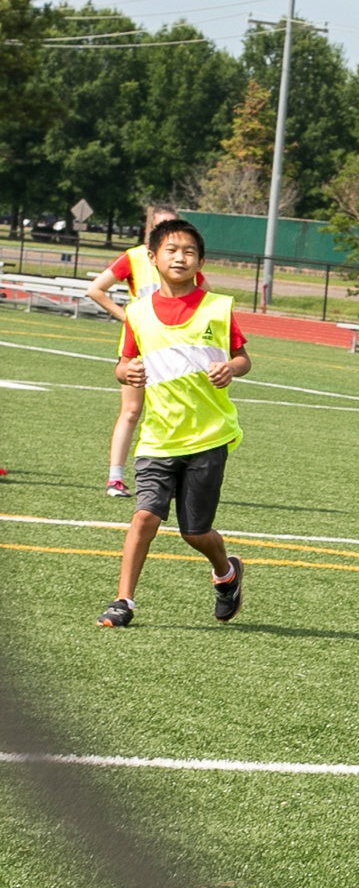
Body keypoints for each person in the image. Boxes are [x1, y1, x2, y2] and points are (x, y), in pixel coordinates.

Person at [96, 217, 249, 629]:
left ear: (201, 261)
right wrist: (124, 373)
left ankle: (226, 572)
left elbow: (243, 358)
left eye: (189, 252)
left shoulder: (217, 307)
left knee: (194, 532)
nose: (180, 257)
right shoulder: (138, 312)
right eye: (171, 250)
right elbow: (123, 363)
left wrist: (230, 368)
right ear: (152, 258)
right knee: (144, 515)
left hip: (208, 436)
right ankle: (123, 601)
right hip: (158, 437)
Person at [85, 203, 206, 498]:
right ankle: (115, 477)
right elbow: (95, 289)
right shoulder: (136, 257)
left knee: (181, 409)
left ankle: (177, 476)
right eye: (161, 226)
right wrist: (130, 318)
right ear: (148, 229)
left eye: (174, 224)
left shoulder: (183, 263)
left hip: (176, 346)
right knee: (131, 410)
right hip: (143, 345)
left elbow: (207, 299)